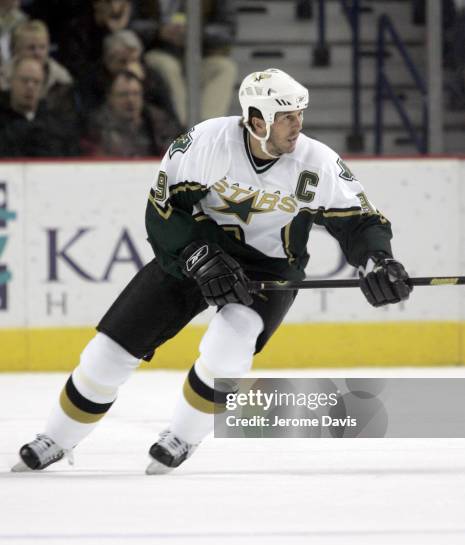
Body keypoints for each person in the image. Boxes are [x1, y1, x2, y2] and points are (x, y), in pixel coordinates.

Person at [11, 68, 412, 474]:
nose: (298, 125)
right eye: (287, 116)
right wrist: (197, 255)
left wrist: (377, 259)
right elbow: (162, 212)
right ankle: (56, 439)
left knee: (226, 351)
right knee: (106, 354)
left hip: (268, 268)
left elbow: (362, 222)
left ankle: (183, 437)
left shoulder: (317, 164)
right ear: (258, 120)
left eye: (300, 114)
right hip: (195, 252)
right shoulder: (205, 144)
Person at [144, 0, 237, 125]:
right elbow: (132, 24)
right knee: (166, 66)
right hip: (161, 50)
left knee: (224, 67)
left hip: (200, 55)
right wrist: (159, 31)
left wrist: (196, 31)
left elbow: (227, 30)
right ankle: (185, 128)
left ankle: (207, 128)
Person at [81, 70, 181, 157]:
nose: (130, 100)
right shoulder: (95, 127)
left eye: (136, 94)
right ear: (110, 98)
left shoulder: (159, 122)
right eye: (123, 95)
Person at [0, 56, 79, 157]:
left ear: (43, 88)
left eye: (36, 82)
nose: (30, 86)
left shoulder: (56, 126)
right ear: (11, 82)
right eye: (24, 80)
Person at [1, 20, 77, 117]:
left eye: (42, 47)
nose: (38, 53)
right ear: (15, 50)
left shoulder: (62, 80)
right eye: (31, 48)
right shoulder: (2, 78)